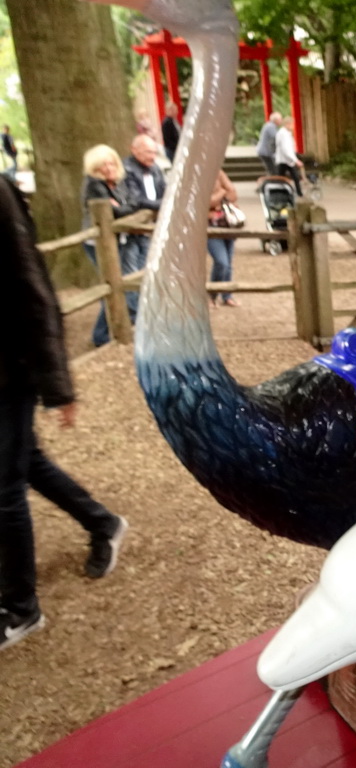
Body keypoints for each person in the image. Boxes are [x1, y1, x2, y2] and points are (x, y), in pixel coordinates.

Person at [0, 174, 128, 652]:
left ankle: (19, 608)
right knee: (24, 462)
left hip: (8, 372)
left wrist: (57, 387)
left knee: (4, 489)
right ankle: (103, 523)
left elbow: (32, 290)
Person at [80, 144, 139, 347]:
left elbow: (132, 202)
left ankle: (121, 325)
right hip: (98, 244)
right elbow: (118, 211)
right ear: (94, 167)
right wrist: (123, 207)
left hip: (117, 239)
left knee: (119, 283)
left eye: (111, 163)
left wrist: (124, 206)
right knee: (111, 285)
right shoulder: (94, 185)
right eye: (103, 165)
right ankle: (101, 335)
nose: (108, 167)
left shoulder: (117, 182)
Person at [122, 134, 167, 276]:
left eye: (154, 152)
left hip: (149, 227)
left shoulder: (155, 169)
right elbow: (136, 199)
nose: (152, 156)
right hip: (131, 228)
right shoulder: (126, 169)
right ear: (134, 150)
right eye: (148, 152)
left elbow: (165, 191)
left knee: (146, 267)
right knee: (132, 271)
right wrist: (162, 205)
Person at [207, 169, 240, 308]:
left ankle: (227, 295)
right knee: (221, 262)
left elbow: (233, 193)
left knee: (229, 262)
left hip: (227, 222)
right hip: (210, 226)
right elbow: (205, 202)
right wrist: (222, 192)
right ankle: (212, 295)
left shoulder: (218, 172)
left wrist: (217, 200)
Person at [274, 115, 303, 196]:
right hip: (284, 160)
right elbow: (286, 149)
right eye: (292, 124)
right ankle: (281, 193)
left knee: (290, 177)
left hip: (287, 160)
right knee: (282, 178)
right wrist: (295, 160)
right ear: (287, 124)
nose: (293, 126)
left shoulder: (285, 133)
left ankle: (297, 192)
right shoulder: (283, 134)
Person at [256, 111, 282, 176]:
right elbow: (276, 137)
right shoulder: (271, 127)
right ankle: (272, 183)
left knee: (272, 169)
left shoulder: (270, 126)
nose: (281, 121)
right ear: (276, 120)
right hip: (266, 152)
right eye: (280, 119)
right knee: (273, 170)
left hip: (265, 151)